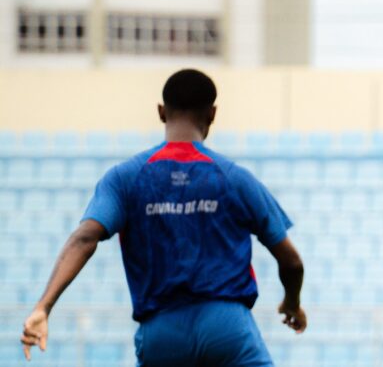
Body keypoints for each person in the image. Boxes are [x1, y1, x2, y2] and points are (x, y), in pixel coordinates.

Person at [20, 69, 306, 366]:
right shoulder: (235, 178)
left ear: (160, 112)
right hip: (227, 328)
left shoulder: (126, 177)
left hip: (162, 333)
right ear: (212, 113)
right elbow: (292, 262)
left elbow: (84, 237)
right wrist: (292, 303)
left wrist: (44, 306)